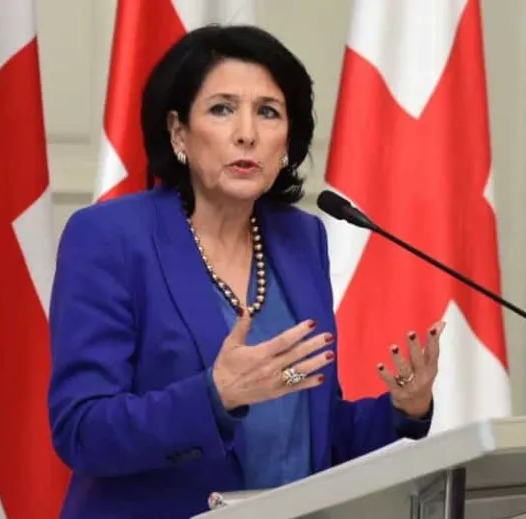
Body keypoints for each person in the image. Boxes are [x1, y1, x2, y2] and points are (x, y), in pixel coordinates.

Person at [47, 23, 443, 519]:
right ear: (178, 132)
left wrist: (403, 409)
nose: (247, 133)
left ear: (287, 142)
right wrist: (213, 398)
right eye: (222, 109)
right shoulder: (111, 239)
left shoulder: (300, 240)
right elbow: (83, 431)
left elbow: (307, 428)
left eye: (268, 112)